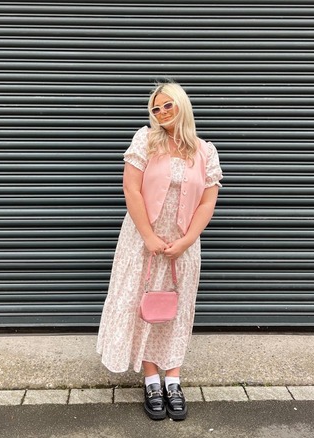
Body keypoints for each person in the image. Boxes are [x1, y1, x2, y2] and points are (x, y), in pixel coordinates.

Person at [95, 81, 223, 421]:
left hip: (183, 245)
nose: (162, 112)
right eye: (156, 108)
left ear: (182, 105)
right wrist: (149, 236)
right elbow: (131, 189)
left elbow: (207, 202)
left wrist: (187, 240)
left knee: (176, 309)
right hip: (142, 241)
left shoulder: (205, 151)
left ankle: (173, 379)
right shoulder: (146, 140)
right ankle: (152, 379)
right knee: (146, 305)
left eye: (168, 105)